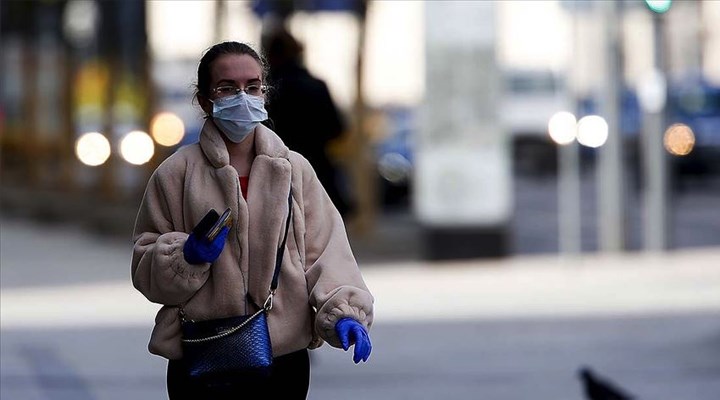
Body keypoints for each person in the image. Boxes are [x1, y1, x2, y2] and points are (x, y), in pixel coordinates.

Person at [131, 41, 374, 399]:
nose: (242, 97)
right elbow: (144, 268)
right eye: (227, 88)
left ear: (264, 92)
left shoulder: (294, 171)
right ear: (204, 100)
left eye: (253, 86)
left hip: (282, 360)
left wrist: (345, 313)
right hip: (203, 355)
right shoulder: (175, 175)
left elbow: (325, 253)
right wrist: (185, 256)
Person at [263, 28, 352, 217]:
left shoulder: (264, 91)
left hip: (274, 176)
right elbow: (337, 129)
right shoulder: (317, 86)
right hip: (318, 173)